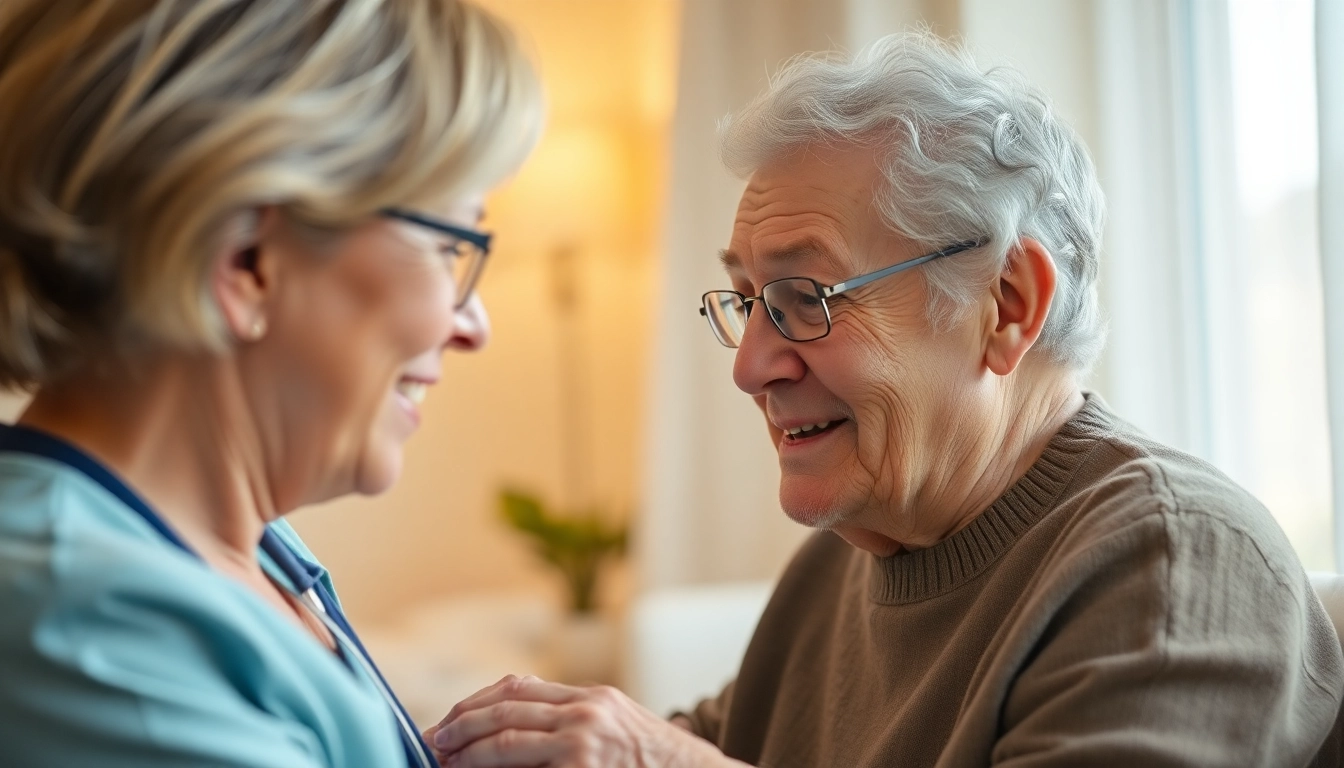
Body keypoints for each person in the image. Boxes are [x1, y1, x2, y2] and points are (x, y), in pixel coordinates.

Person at [425, 32, 1344, 768]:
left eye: (805, 300)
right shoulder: (847, 558)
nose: (750, 366)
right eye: (747, 300)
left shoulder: (1175, 561)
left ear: (1007, 307)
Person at [0, 1, 541, 766]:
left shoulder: (248, 550)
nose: (472, 325)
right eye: (449, 245)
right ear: (247, 260)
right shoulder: (88, 621)